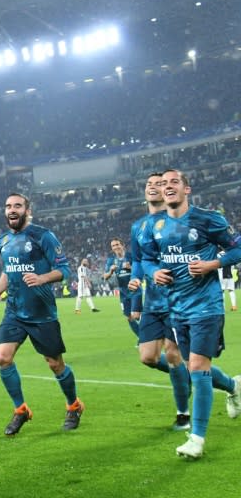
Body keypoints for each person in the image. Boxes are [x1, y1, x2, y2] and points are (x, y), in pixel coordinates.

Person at [139, 169, 241, 459]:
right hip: (176, 308)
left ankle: (196, 438)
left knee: (196, 367)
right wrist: (154, 272)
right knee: (193, 366)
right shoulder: (155, 226)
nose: (167, 187)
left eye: (174, 183)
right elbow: (146, 260)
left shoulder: (208, 219)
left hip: (206, 307)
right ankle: (234, 385)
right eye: (164, 184)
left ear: (187, 190)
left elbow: (238, 248)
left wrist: (212, 264)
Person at [0, 193, 83, 436]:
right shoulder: (3, 240)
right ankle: (21, 410)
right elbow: (9, 271)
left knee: (54, 363)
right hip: (14, 311)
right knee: (3, 358)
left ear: (28, 210)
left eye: (17, 205)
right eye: (8, 206)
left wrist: (41, 278)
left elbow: (64, 270)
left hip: (41, 312)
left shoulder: (43, 236)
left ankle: (74, 405)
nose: (12, 209)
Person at [128, 172, 192, 430]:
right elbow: (137, 261)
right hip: (153, 301)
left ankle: (183, 414)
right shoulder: (139, 226)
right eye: (149, 184)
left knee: (174, 354)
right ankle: (229, 384)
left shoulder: (177, 219)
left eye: (160, 184)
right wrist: (135, 294)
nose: (154, 188)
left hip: (178, 299)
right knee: (148, 357)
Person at [103, 237, 142, 337]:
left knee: (136, 315)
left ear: (122, 245)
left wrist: (131, 268)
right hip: (123, 292)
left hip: (134, 290)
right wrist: (111, 271)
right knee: (129, 317)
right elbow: (105, 277)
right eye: (113, 246)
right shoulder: (111, 260)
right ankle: (141, 338)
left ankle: (148, 337)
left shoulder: (131, 256)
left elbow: (141, 271)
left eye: (117, 244)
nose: (115, 247)